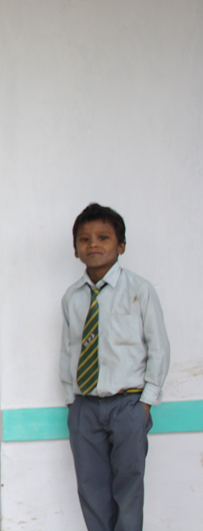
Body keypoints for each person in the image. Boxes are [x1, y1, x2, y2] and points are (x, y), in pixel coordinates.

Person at [61, 203, 169, 531]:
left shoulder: (140, 291)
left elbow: (159, 348)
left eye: (103, 237)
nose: (93, 244)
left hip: (128, 403)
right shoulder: (72, 297)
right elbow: (69, 351)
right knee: (91, 488)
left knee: (128, 488)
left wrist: (146, 402)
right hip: (86, 406)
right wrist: (72, 401)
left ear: (120, 246)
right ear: (76, 249)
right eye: (85, 239)